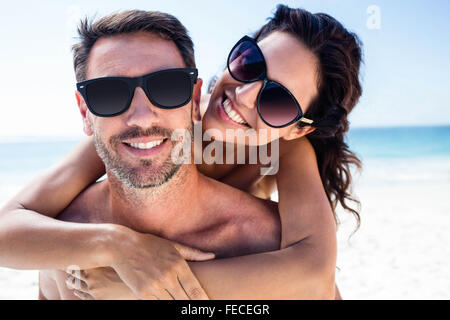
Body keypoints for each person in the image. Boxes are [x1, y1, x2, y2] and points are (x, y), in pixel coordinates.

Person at [0, 5, 362, 299]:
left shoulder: (289, 151)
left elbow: (314, 274)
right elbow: (8, 227)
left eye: (277, 101)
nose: (243, 94)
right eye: (250, 64)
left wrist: (138, 284)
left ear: (299, 128)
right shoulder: (148, 121)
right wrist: (117, 246)